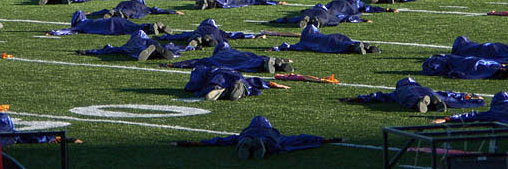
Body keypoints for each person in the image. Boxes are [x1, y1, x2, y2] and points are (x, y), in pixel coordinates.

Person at [175, 116, 339, 160]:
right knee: (281, 145)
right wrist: (325, 139)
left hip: (246, 136)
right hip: (270, 139)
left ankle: (246, 145)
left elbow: (218, 141)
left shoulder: (245, 131)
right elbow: (302, 138)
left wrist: (191, 143)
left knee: (233, 141)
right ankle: (262, 146)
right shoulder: (274, 131)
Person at [339, 77, 485, 113]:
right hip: (428, 92)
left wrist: (354, 99)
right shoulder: (422, 87)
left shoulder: (398, 91)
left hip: (409, 94)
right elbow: (449, 94)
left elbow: (377, 96)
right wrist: (466, 97)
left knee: (410, 100)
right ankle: (435, 103)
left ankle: (419, 103)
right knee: (441, 97)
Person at [272, 0, 396, 28]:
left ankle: (302, 18)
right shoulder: (357, 4)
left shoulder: (339, 0)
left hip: (321, 7)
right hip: (332, 14)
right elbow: (368, 9)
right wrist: (387, 10)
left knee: (314, 13)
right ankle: (315, 21)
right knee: (332, 21)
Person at [166, 41, 294, 74]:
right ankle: (277, 63)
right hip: (244, 55)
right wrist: (284, 59)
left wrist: (174, 64)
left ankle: (265, 64)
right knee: (253, 57)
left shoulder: (212, 58)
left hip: (232, 62)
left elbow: (193, 62)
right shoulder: (233, 50)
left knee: (245, 65)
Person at [185, 66, 285, 101]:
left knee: (210, 88)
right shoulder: (220, 66)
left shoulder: (202, 70)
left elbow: (192, 86)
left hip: (218, 78)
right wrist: (270, 83)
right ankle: (237, 89)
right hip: (237, 76)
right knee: (246, 86)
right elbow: (253, 80)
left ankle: (223, 91)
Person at [76, 30, 186, 61]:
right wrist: (189, 47)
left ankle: (154, 53)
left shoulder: (130, 43)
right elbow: (173, 45)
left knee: (132, 51)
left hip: (136, 49)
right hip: (153, 44)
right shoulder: (147, 39)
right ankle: (160, 53)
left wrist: (86, 51)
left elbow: (109, 49)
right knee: (164, 48)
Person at [422, 54, 508, 81]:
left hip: (466, 65)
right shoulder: (446, 57)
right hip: (471, 60)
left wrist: (452, 74)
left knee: (485, 71)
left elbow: (437, 69)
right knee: (490, 65)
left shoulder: (435, 63)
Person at [272, 24, 380, 54]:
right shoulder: (318, 34)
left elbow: (287, 46)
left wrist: (276, 48)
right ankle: (366, 47)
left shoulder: (303, 42)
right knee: (344, 41)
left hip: (325, 42)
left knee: (339, 46)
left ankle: (354, 47)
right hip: (334, 36)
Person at [48, 10, 171, 36]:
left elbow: (68, 31)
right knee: (133, 26)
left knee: (130, 29)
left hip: (110, 26)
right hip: (114, 20)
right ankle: (153, 27)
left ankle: (151, 29)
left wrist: (54, 32)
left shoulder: (81, 25)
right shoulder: (88, 21)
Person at [157, 18, 259, 48]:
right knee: (221, 40)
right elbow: (233, 35)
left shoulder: (199, 29)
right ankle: (209, 40)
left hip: (198, 33)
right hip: (214, 34)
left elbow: (180, 36)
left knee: (191, 36)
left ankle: (198, 40)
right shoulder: (218, 30)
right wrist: (251, 36)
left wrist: (163, 37)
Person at [87, 0, 183, 19]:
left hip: (121, 7)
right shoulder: (144, 7)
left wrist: (92, 13)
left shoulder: (124, 2)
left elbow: (105, 9)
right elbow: (158, 10)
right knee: (128, 13)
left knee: (113, 10)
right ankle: (121, 14)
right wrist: (174, 12)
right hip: (132, 12)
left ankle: (114, 13)